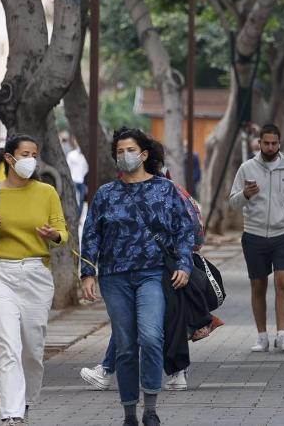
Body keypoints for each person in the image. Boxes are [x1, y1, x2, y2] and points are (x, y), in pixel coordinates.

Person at [80, 127, 196, 426]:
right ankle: (130, 412)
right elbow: (91, 234)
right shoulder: (106, 194)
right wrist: (87, 273)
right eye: (119, 151)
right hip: (114, 277)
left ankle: (151, 408)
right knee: (127, 345)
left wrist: (184, 264)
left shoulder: (165, 189)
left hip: (153, 274)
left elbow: (185, 230)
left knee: (151, 337)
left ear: (144, 154)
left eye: (130, 150)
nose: (124, 155)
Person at [0, 135, 67, 424]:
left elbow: (62, 232)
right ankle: (12, 414)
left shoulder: (47, 193)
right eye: (24, 154)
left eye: (34, 154)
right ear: (9, 158)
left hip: (36, 275)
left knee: (32, 348)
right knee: (9, 346)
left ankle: (26, 401)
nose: (30, 159)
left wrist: (52, 235)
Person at [229, 124, 284, 353]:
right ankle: (262, 336)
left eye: (274, 143)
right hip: (254, 235)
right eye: (266, 143)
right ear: (259, 143)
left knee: (283, 282)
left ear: (279, 143)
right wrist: (245, 194)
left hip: (283, 234)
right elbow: (232, 202)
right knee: (258, 286)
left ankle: (282, 335)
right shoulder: (246, 169)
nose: (270, 147)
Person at [66, 134, 90, 210]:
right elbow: (68, 167)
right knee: (73, 199)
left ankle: (78, 218)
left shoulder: (86, 155)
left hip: (82, 181)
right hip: (73, 180)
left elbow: (87, 168)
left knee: (82, 200)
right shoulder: (71, 154)